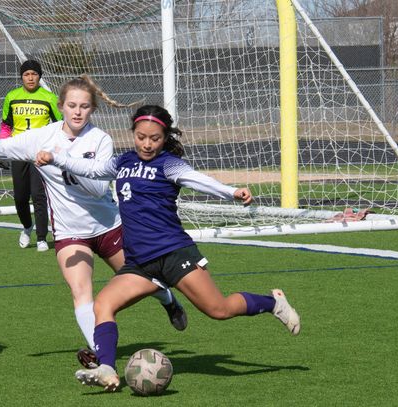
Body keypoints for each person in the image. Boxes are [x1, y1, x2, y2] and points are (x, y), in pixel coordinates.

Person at [35, 104, 301, 392]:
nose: (147, 144)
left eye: (155, 138)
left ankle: (274, 303)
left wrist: (231, 192)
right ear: (133, 134)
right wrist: (56, 158)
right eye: (141, 137)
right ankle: (108, 369)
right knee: (103, 305)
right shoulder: (122, 162)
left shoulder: (169, 164)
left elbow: (199, 181)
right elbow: (90, 168)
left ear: (164, 138)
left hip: (174, 254)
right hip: (139, 262)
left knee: (219, 310)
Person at [0, 77, 187, 368]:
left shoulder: (100, 140)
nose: (77, 112)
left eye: (84, 106)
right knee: (81, 294)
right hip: (69, 233)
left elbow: (98, 189)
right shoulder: (41, 136)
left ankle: (166, 298)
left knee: (146, 283)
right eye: (72, 105)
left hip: (108, 227)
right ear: (61, 106)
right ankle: (103, 358)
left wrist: (60, 159)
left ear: (92, 110)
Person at [0, 59, 62, 252]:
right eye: (26, 74)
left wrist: (57, 150)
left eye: (34, 74)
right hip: (19, 152)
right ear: (21, 77)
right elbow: (6, 126)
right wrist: (2, 149)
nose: (30, 77)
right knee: (20, 197)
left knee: (38, 195)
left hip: (40, 154)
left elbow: (60, 125)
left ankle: (42, 237)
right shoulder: (12, 96)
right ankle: (27, 227)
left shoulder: (49, 97)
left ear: (39, 76)